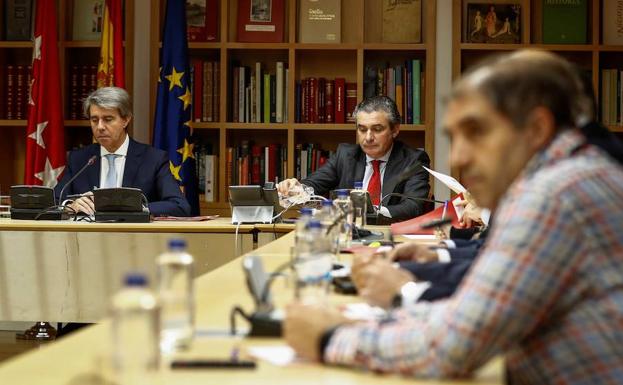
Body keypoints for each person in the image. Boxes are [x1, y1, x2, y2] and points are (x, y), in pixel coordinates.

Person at [284, 50, 623, 383]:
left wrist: (331, 338)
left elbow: (454, 346)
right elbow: (471, 316)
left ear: (536, 128)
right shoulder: (578, 174)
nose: (459, 155)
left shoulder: (554, 194)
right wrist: (372, 325)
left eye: (476, 131)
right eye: (453, 137)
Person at [277, 96, 431, 222]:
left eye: (377, 129)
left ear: (395, 129)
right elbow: (314, 184)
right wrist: (298, 188)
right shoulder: (346, 155)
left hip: (391, 237)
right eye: (362, 129)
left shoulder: (413, 160)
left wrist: (369, 211)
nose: (368, 137)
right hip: (347, 235)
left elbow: (413, 206)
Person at [54, 87, 191, 217]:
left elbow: (179, 206)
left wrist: (137, 209)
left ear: (125, 120)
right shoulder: (80, 159)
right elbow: (54, 201)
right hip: (88, 238)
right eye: (94, 120)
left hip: (135, 238)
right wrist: (70, 205)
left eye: (108, 119)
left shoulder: (153, 159)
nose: (100, 127)